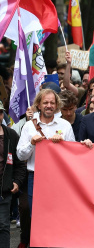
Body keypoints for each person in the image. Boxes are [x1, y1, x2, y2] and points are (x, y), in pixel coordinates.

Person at [17, 89, 75, 216]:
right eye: (45, 102)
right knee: (37, 216)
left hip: (59, 177)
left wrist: (63, 144)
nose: (49, 106)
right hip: (36, 177)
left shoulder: (65, 125)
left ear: (57, 105)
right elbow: (20, 156)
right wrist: (31, 144)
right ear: (38, 105)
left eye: (52, 103)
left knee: (58, 215)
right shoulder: (29, 126)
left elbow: (73, 157)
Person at [0, 100, 26, 247]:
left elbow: (20, 162)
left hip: (4, 190)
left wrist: (16, 181)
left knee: (3, 226)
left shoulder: (11, 134)